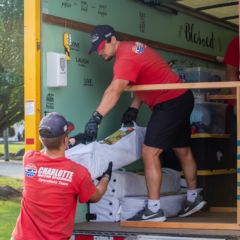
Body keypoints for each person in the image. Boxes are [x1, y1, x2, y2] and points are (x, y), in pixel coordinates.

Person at [84, 25, 206, 221]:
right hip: (181, 97)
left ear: (112, 39)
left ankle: (154, 209)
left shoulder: (124, 58)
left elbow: (113, 91)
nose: (100, 52)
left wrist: (96, 117)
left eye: (101, 47)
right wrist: (134, 108)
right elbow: (144, 80)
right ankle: (193, 197)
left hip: (169, 102)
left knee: (149, 152)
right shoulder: (133, 48)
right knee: (182, 149)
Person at [11, 112, 112, 240]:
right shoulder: (78, 173)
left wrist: (68, 142)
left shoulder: (29, 159)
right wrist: (106, 178)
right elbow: (95, 196)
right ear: (65, 140)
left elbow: (45, 150)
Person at [224, 36, 239, 167]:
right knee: (236, 148)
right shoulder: (237, 42)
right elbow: (231, 71)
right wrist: (237, 100)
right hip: (237, 103)